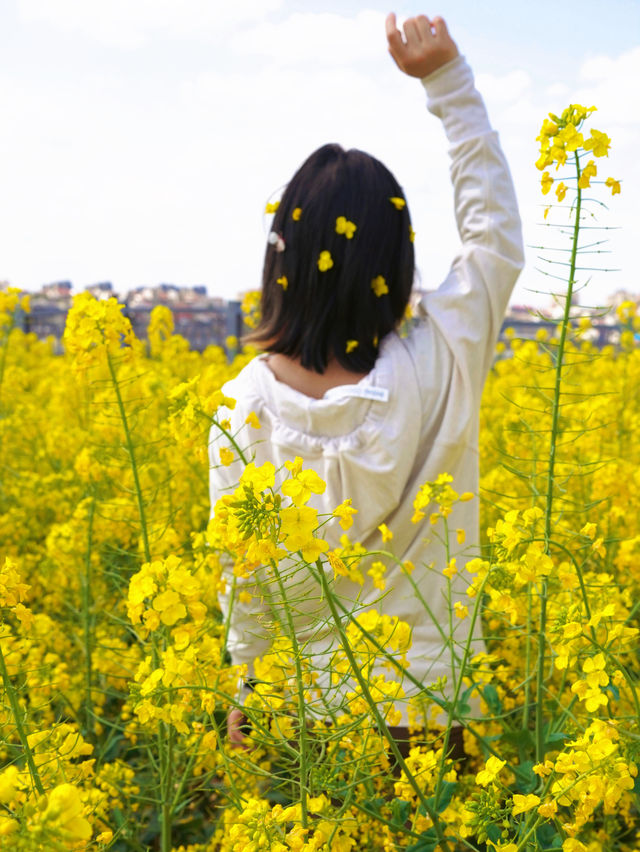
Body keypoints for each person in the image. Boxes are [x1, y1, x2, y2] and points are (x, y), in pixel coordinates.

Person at [208, 12, 524, 750]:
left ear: (280, 262)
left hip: (303, 720)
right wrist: (449, 84)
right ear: (396, 260)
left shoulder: (243, 404)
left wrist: (245, 692)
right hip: (429, 702)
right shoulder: (445, 350)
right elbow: (494, 239)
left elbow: (243, 576)